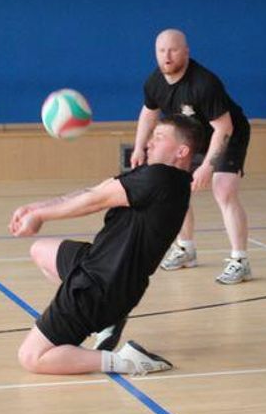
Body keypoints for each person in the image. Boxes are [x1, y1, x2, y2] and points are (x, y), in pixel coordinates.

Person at [11, 114, 204, 377]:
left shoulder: (160, 179)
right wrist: (36, 208)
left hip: (100, 287)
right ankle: (109, 321)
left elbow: (95, 201)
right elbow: (95, 191)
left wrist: (41, 216)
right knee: (40, 250)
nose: (149, 143)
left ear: (182, 151)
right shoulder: (159, 176)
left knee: (32, 357)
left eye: (159, 138)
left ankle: (125, 361)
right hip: (101, 266)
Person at [131, 28, 253, 285]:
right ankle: (186, 248)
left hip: (228, 134)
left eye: (173, 50)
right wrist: (139, 146)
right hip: (190, 137)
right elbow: (149, 113)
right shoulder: (154, 81)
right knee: (173, 186)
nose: (167, 56)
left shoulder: (204, 84)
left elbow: (224, 128)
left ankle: (240, 260)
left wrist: (207, 166)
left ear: (186, 52)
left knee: (223, 190)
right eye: (161, 51)